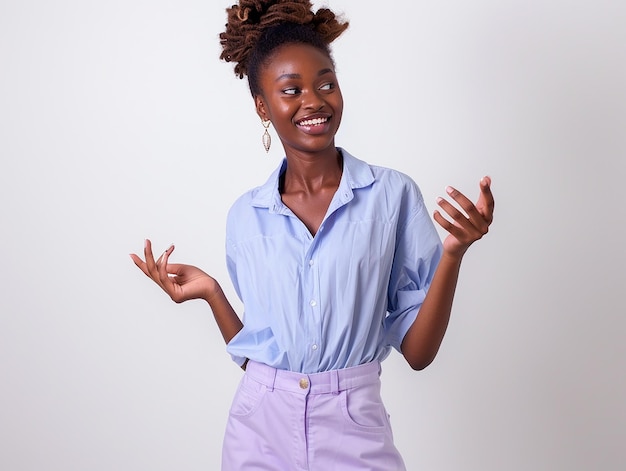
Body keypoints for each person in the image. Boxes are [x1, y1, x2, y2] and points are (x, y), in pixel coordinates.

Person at [130, 1, 495, 469]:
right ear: (262, 105)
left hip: (354, 427)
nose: (314, 101)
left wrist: (453, 253)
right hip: (258, 431)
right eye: (291, 90)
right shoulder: (246, 217)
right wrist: (212, 293)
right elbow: (259, 357)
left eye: (326, 83)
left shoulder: (392, 196)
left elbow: (419, 353)